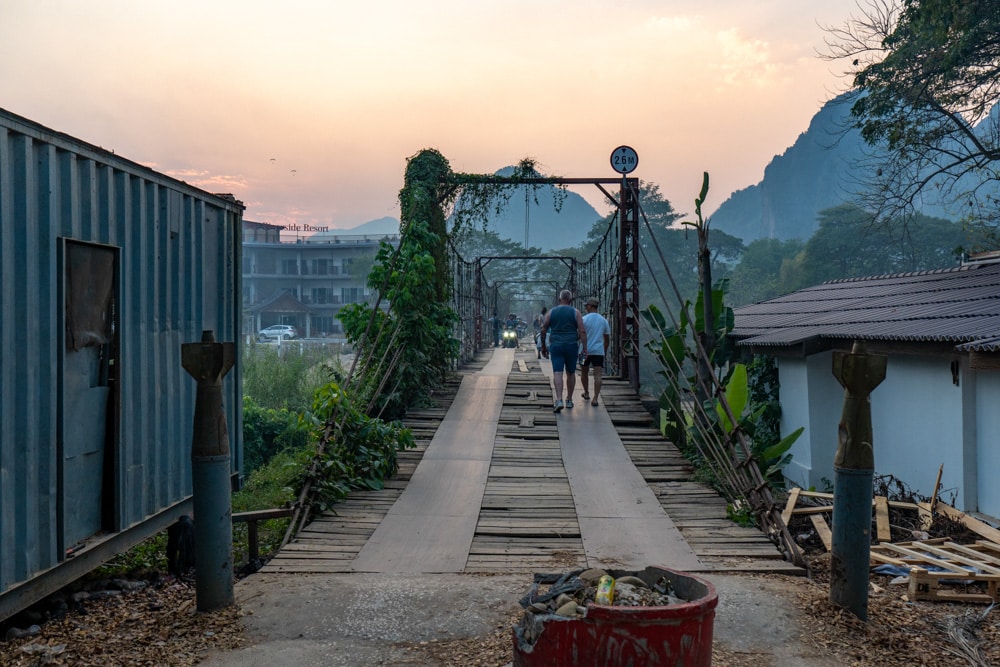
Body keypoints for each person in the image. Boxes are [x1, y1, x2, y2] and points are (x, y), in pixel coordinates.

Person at [540, 290, 587, 413]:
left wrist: (544, 347)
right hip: (572, 346)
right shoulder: (576, 312)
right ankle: (569, 400)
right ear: (571, 301)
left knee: (558, 373)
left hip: (556, 346)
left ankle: (559, 400)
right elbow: (582, 331)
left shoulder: (551, 312)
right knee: (571, 373)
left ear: (559, 299)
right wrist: (585, 349)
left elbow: (543, 330)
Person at [580, 296, 611, 407]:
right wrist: (604, 350)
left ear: (590, 306)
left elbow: (580, 335)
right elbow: (607, 339)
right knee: (597, 374)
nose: (585, 308)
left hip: (584, 351)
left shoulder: (583, 319)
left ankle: (586, 393)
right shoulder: (603, 321)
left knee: (584, 371)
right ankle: (595, 398)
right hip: (598, 351)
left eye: (586, 306)